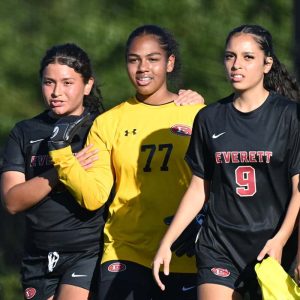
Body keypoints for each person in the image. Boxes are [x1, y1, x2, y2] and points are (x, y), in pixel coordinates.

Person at [48, 24, 206, 300]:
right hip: (125, 252)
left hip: (184, 254)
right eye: (134, 60)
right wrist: (61, 155)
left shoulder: (200, 115)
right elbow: (93, 197)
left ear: (169, 63)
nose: (142, 68)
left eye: (153, 59)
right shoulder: (109, 123)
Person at [152, 24, 300, 300]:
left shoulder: (290, 116)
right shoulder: (210, 118)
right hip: (219, 245)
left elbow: (299, 190)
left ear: (267, 64)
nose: (236, 65)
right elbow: (199, 187)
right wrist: (167, 241)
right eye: (230, 56)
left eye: (247, 57)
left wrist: (281, 240)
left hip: (271, 246)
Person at [0, 43, 107, 300]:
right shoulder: (25, 132)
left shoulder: (101, 127)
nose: (57, 92)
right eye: (49, 82)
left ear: (88, 84)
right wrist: (62, 170)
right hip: (37, 255)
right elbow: (13, 201)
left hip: (86, 252)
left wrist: (188, 99)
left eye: (67, 83)